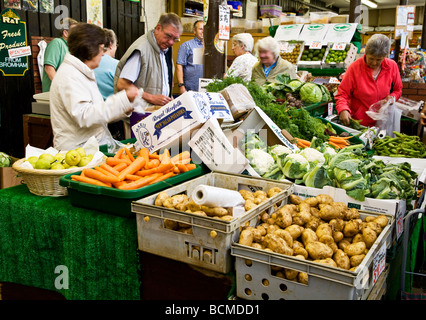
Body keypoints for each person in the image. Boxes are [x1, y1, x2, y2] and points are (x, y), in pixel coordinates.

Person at [49, 23, 139, 152]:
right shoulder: (70, 76)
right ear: (89, 49)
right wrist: (123, 99)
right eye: (101, 49)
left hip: (92, 148)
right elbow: (85, 116)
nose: (103, 54)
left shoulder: (82, 72)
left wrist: (126, 106)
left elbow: (98, 113)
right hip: (78, 153)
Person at [114, 13, 183, 108]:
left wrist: (168, 97)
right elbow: (122, 84)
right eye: (168, 36)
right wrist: (151, 98)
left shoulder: (165, 49)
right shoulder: (142, 49)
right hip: (140, 116)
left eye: (175, 39)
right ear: (158, 28)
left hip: (157, 113)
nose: (171, 42)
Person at [336, 34, 403, 127]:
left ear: (385, 56)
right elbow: (342, 93)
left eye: (378, 59)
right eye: (371, 58)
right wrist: (343, 109)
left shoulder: (392, 66)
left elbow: (398, 90)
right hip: (359, 122)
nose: (374, 63)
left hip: (382, 120)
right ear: (366, 53)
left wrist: (392, 97)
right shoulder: (354, 68)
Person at [42, 17, 79, 92]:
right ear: (65, 33)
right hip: (55, 94)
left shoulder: (71, 48)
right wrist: (63, 89)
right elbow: (49, 69)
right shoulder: (57, 43)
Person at [176, 20, 204, 94]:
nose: (203, 31)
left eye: (205, 29)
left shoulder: (211, 47)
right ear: (194, 31)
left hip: (206, 88)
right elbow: (179, 66)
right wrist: (181, 85)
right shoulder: (187, 45)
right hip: (190, 88)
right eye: (200, 29)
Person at [94, 28, 119, 100]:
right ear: (110, 45)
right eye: (116, 45)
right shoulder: (118, 65)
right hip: (113, 108)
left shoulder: (89, 63)